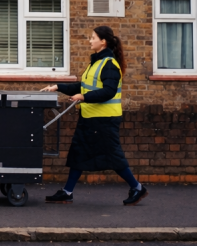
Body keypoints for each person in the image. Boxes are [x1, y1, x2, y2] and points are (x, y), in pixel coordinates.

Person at [40, 25, 147, 206]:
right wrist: (58, 87)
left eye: (93, 37)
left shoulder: (110, 65)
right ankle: (67, 192)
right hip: (90, 118)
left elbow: (109, 91)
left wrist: (84, 97)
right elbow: (82, 85)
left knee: (113, 156)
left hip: (104, 120)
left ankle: (137, 187)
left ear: (103, 41)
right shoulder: (95, 63)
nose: (90, 41)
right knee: (78, 153)